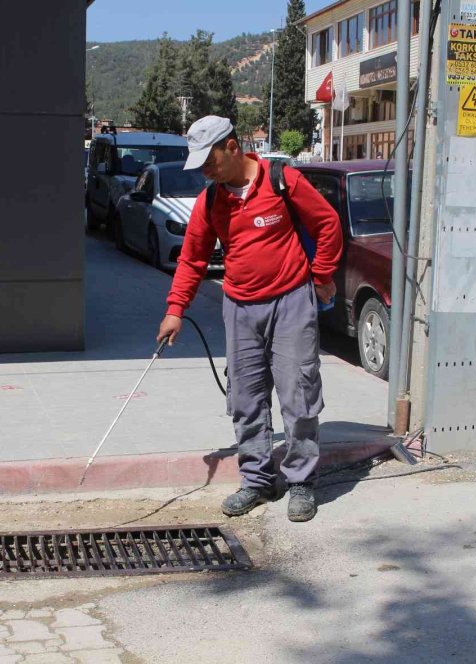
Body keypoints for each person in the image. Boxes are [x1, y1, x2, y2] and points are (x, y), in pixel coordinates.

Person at [156, 116, 343, 522]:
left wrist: (322, 275)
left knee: (298, 395)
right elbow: (192, 258)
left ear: (233, 147)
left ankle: (300, 482)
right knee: (245, 399)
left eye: (210, 161)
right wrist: (175, 310)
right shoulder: (211, 201)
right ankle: (257, 481)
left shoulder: (282, 180)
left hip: (292, 301)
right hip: (238, 308)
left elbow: (327, 224)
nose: (206, 171)